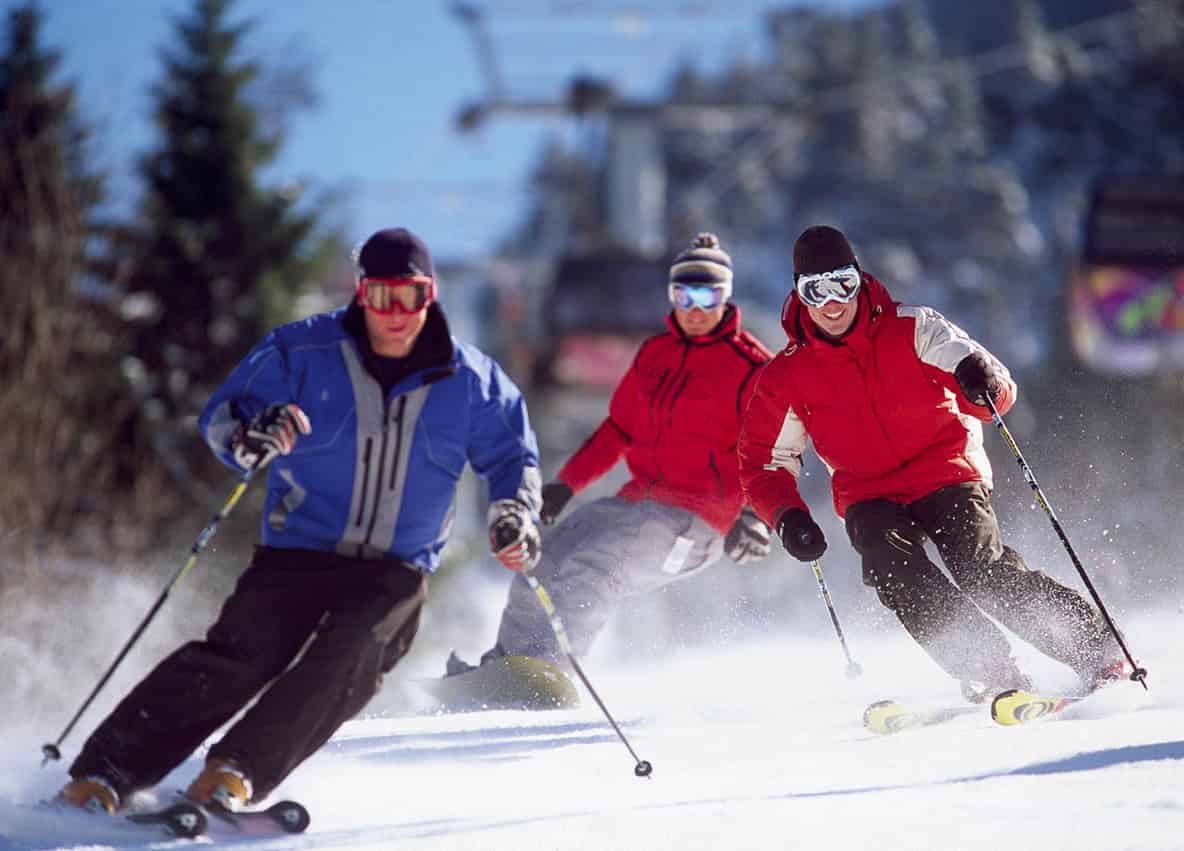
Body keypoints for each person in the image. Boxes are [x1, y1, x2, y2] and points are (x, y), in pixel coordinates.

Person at [57, 227, 543, 814]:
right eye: (381, 297)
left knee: (354, 657)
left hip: (395, 566)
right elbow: (227, 414)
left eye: (409, 296)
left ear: (431, 295)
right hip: (298, 549)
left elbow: (513, 456)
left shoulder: (472, 381)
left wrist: (515, 511)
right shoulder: (301, 351)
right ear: (360, 294)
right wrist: (250, 434)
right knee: (242, 654)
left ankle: (235, 772)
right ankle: (105, 773)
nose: (395, 314)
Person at [738, 224, 1125, 702]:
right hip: (869, 491)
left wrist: (979, 381)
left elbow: (995, 392)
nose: (832, 303)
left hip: (946, 470)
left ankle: (1098, 652)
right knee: (890, 566)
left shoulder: (915, 328)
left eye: (843, 283)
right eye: (815, 290)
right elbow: (765, 463)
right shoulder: (787, 375)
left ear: (860, 279)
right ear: (799, 295)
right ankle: (989, 669)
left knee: (978, 567)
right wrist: (787, 515)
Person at [453, 232, 774, 673]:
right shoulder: (656, 354)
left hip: (698, 521)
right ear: (672, 296)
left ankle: (553, 670)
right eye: (684, 295)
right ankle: (509, 668)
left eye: (707, 295)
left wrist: (755, 514)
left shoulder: (750, 367)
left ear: (724, 296)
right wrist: (565, 486)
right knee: (543, 557)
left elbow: (770, 451)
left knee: (593, 568)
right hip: (640, 503)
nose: (695, 308)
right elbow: (618, 430)